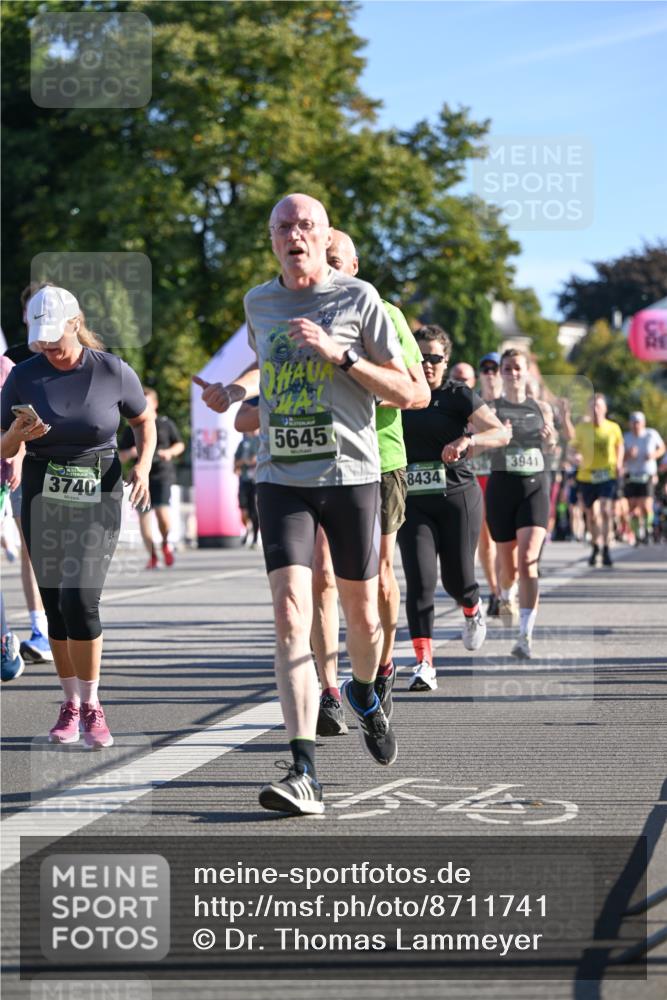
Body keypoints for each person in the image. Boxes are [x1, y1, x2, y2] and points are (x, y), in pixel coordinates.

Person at [194, 193, 414, 816]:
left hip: (351, 476)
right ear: (272, 240)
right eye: (283, 226)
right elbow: (266, 366)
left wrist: (341, 356)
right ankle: (303, 769)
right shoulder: (259, 302)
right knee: (291, 612)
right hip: (281, 477)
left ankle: (365, 690)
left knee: (362, 617)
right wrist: (235, 390)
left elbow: (406, 390)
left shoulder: (360, 299)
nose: (294, 234)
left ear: (323, 235)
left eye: (305, 225)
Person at [0, 285, 156, 748]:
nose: (48, 348)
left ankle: (93, 705)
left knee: (80, 599)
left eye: (55, 338)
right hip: (42, 494)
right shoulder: (23, 375)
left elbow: (143, 420)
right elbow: (2, 446)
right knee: (55, 605)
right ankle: (69, 704)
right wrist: (18, 435)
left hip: (98, 492)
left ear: (76, 323)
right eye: (41, 340)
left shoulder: (111, 370)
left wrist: (143, 466)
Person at [311, 230, 429, 736]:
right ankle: (328, 691)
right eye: (322, 260)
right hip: (319, 461)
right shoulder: (299, 315)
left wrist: (364, 390)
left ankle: (380, 668)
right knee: (321, 576)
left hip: (380, 460)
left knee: (378, 575)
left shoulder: (386, 314)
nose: (329, 269)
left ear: (354, 266)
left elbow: (419, 393)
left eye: (336, 260)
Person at [398, 326, 510, 691]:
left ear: (446, 361)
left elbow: (500, 433)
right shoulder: (398, 393)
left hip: (457, 497)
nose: (427, 365)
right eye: (420, 357)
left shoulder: (457, 394)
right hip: (413, 501)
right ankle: (424, 663)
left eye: (435, 358)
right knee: (420, 580)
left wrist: (468, 439)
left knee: (457, 580)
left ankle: (472, 608)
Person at [484, 348, 557, 659]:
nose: (513, 373)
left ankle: (525, 635)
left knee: (528, 560)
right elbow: (478, 444)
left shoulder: (541, 407)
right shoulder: (490, 408)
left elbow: (552, 447)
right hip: (502, 489)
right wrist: (497, 436)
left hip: (534, 488)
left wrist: (550, 438)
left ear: (526, 372)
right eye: (507, 368)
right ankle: (505, 593)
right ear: (501, 372)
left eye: (518, 368)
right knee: (509, 568)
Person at [2, 292, 54, 664]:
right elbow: (9, 420)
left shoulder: (81, 359)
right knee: (32, 548)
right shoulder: (13, 359)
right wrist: (17, 454)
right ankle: (41, 630)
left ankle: (71, 624)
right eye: (30, 307)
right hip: (23, 464)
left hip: (68, 464)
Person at [119, 388, 184, 569]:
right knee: (144, 517)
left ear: (155, 404)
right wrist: (130, 453)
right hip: (140, 476)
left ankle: (165, 543)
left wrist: (170, 452)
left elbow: (180, 444)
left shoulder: (165, 423)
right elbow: (120, 456)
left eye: (147, 402)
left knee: (162, 513)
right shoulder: (131, 427)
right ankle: (153, 555)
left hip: (162, 474)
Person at [571, 394, 624, 567]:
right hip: (586, 476)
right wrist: (575, 456)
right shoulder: (581, 428)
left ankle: (607, 548)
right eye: (592, 406)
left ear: (605, 409)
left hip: (607, 474)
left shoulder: (613, 428)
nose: (595, 410)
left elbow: (619, 445)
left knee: (606, 510)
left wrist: (619, 463)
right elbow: (573, 448)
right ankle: (595, 547)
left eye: (598, 406)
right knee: (592, 515)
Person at [470, 352, 503, 617]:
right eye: (485, 369)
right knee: (486, 540)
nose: (490, 374)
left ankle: (506, 586)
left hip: (502, 475)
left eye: (495, 369)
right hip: (477, 474)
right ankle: (495, 591)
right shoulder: (472, 401)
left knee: (505, 540)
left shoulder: (512, 402)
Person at [623, 411, 665, 545]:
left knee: (646, 505)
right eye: (634, 423)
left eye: (638, 422)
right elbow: (619, 457)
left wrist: (653, 455)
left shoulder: (651, 434)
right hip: (632, 475)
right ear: (630, 424)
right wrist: (628, 454)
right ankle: (637, 534)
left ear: (643, 423)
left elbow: (662, 448)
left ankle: (648, 530)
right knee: (632, 507)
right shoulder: (626, 437)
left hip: (647, 474)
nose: (636, 425)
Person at [234, 428, 260, 547]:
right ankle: (247, 529)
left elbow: (258, 459)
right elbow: (236, 461)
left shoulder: (261, 440)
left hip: (256, 481)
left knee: (255, 509)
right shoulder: (243, 443)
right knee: (244, 509)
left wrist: (252, 461)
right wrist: (242, 462)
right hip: (244, 480)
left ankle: (255, 537)